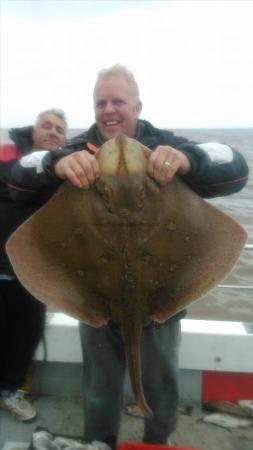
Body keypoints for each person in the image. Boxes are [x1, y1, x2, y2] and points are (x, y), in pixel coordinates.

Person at [8, 66, 249, 445]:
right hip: (95, 301)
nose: (109, 110)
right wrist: (55, 163)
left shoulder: (166, 145)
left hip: (162, 302)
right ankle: (98, 441)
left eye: (118, 101)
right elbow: (18, 175)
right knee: (99, 389)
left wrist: (187, 161)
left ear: (137, 106)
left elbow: (234, 164)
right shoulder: (74, 152)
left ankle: (157, 439)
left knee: (161, 385)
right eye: (101, 102)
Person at [0, 109, 67, 421]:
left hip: (34, 275)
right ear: (33, 131)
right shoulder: (6, 158)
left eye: (59, 129)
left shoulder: (68, 172)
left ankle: (11, 391)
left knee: (26, 335)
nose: (52, 132)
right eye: (46, 126)